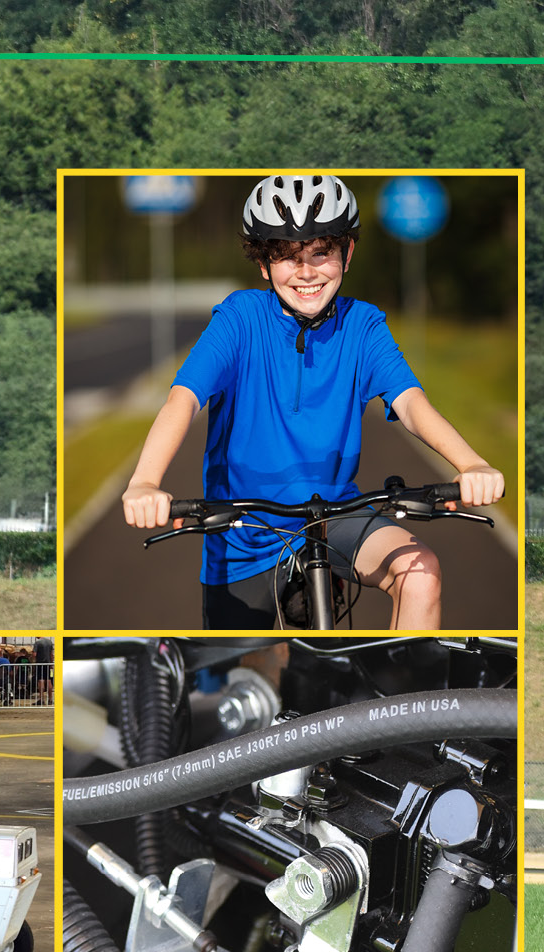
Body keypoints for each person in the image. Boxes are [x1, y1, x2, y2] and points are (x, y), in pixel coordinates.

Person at [122, 174, 505, 629]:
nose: (306, 272)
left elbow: (411, 403)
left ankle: (400, 700)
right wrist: (145, 482)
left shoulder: (362, 326)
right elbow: (182, 401)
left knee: (419, 574)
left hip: (333, 518)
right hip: (243, 535)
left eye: (320, 252)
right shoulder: (240, 320)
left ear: (347, 252)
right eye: (287, 256)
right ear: (263, 264)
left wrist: (472, 463)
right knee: (251, 684)